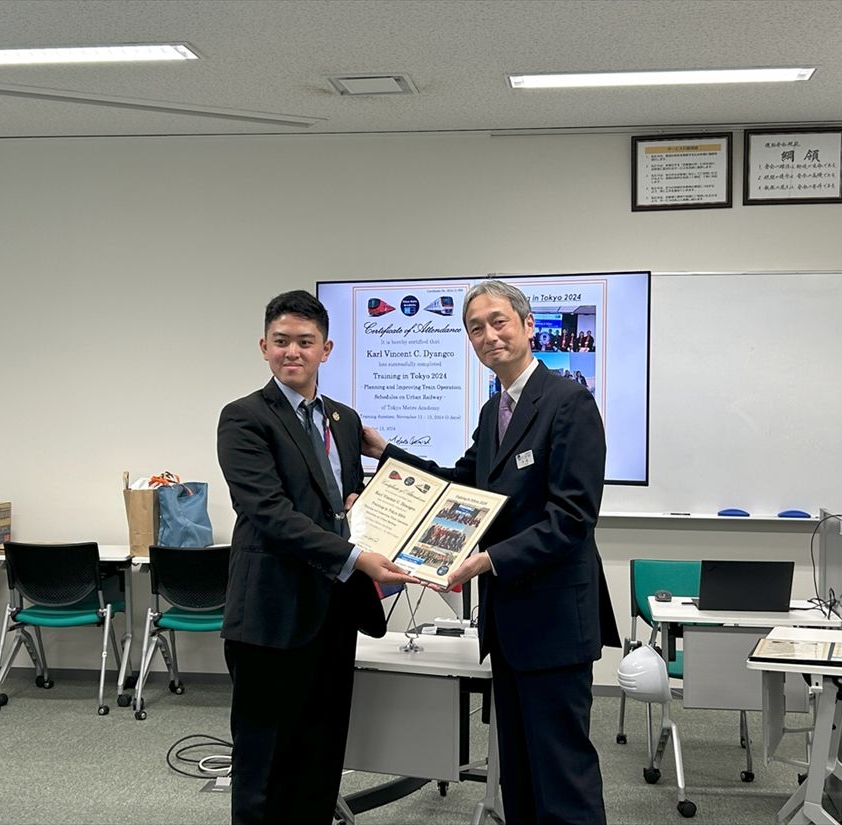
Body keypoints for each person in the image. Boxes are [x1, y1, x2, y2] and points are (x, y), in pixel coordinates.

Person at [363, 279, 620, 825]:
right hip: (509, 622)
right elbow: (459, 488)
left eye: (498, 321)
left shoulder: (569, 402)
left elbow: (572, 518)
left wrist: (489, 560)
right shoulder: (493, 411)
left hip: (554, 621)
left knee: (562, 771)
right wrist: (387, 455)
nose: (488, 335)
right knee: (521, 772)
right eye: (475, 328)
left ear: (528, 326)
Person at [217, 290, 414, 825]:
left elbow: (344, 503)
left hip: (333, 613)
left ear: (326, 349)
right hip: (270, 615)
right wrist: (356, 554)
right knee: (264, 761)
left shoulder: (344, 421)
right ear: (264, 347)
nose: (292, 352)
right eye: (281, 342)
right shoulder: (244, 419)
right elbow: (270, 513)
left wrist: (365, 512)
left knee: (321, 754)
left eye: (305, 342)